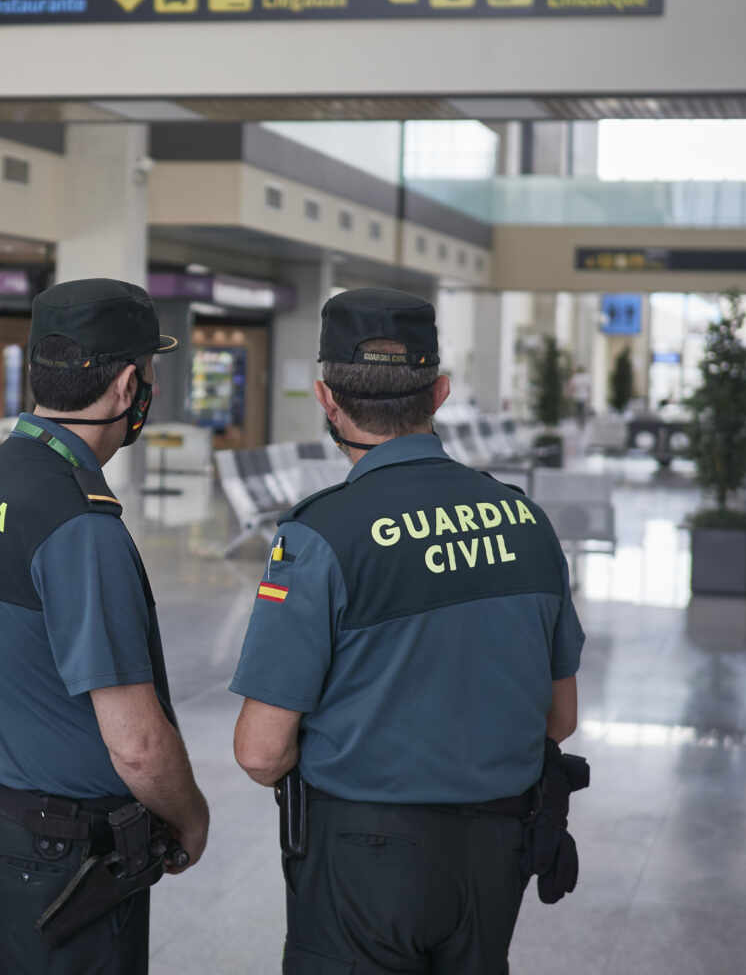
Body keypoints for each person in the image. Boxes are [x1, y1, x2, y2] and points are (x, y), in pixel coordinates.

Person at [230, 287, 585, 975]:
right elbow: (559, 718)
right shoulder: (525, 523)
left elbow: (260, 751)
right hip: (496, 852)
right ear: (440, 392)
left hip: (364, 859)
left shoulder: (320, 534)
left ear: (327, 398)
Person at [0, 278, 210, 975]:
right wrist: (190, 817)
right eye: (147, 373)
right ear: (126, 387)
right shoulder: (79, 524)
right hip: (61, 870)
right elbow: (138, 745)